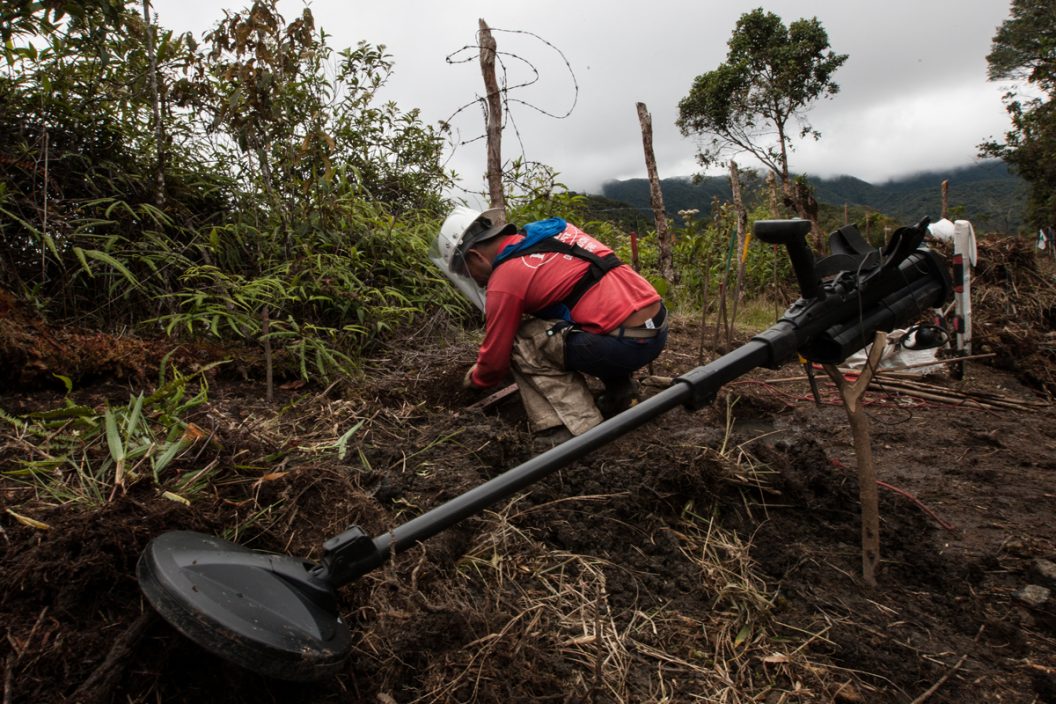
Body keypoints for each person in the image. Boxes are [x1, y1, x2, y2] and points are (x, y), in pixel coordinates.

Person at [435, 207, 668, 447]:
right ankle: (621, 394)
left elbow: (495, 361)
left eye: (467, 273)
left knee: (521, 341)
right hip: (656, 329)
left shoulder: (505, 278)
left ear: (475, 256)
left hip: (624, 346)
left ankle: (569, 428)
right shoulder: (553, 232)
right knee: (579, 317)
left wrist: (475, 380)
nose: (474, 280)